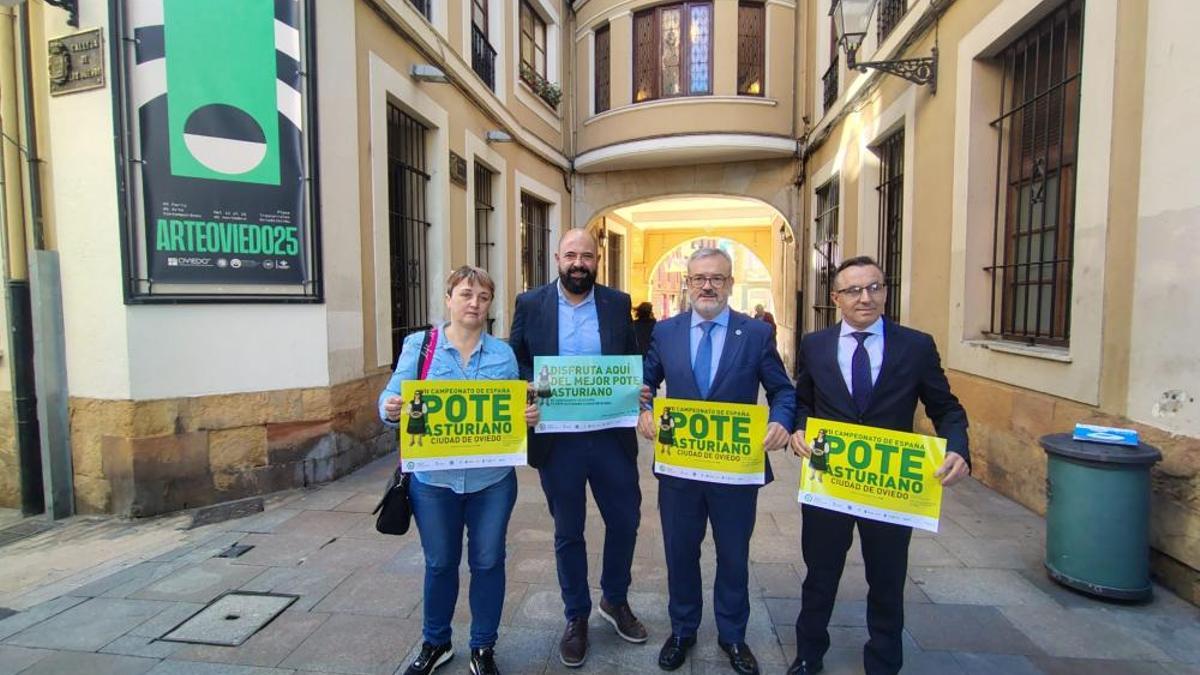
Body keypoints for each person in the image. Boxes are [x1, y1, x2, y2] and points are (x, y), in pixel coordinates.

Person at [787, 256, 970, 675]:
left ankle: (884, 662)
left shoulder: (916, 345)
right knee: (820, 574)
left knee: (886, 579)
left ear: (886, 292)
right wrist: (798, 428)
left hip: (890, 485)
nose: (865, 297)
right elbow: (804, 401)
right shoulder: (815, 345)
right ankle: (808, 653)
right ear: (836, 298)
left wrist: (958, 448)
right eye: (853, 290)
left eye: (874, 287)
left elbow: (946, 408)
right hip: (830, 482)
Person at [638, 247, 795, 675]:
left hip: (734, 472)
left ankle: (733, 635)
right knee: (680, 552)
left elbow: (783, 391)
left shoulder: (756, 334)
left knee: (733, 554)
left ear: (730, 283)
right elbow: (646, 381)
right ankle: (683, 629)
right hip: (680, 471)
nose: (708, 286)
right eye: (699, 278)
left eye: (718, 278)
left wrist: (781, 422)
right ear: (688, 283)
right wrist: (644, 409)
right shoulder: (666, 332)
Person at [379, 266, 540, 675]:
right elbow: (390, 397)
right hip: (434, 482)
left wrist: (530, 414)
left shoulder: (503, 354)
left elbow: (518, 406)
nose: (475, 303)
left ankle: (483, 647)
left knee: (488, 562)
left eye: (483, 297)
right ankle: (436, 643)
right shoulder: (419, 346)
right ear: (448, 298)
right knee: (439, 563)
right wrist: (390, 408)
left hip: (492, 483)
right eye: (466, 294)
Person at [509, 229, 648, 667]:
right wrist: (531, 384)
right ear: (556, 258)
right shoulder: (530, 304)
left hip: (610, 435)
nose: (579, 263)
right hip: (558, 440)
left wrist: (636, 388)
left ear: (598, 259)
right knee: (568, 530)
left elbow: (630, 355)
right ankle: (577, 616)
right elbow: (517, 358)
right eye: (571, 255)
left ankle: (615, 599)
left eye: (587, 255)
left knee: (624, 520)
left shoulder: (616, 301)